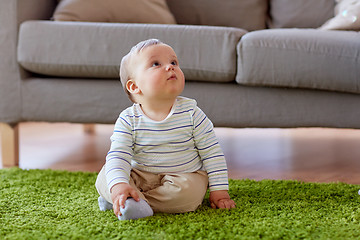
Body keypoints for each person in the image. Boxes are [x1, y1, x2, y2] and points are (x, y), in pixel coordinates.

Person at [95, 39, 236, 220]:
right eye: (156, 64)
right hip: (140, 174)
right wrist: (120, 185)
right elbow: (119, 155)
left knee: (190, 194)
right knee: (107, 175)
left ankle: (131, 202)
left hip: (183, 176)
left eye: (174, 62)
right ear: (134, 86)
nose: (170, 67)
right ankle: (122, 194)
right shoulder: (128, 119)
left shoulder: (192, 114)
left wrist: (220, 191)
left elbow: (212, 153)